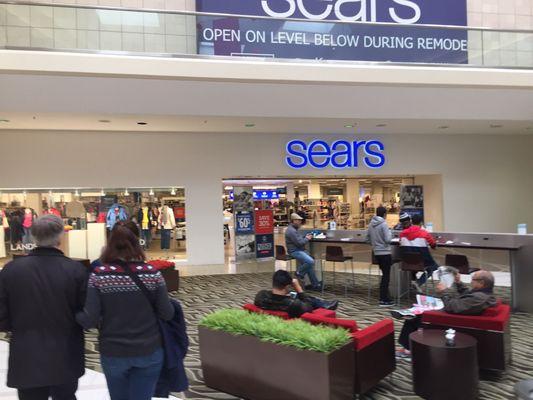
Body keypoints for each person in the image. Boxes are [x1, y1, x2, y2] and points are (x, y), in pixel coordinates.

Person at [76, 221, 174, 400]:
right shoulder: (152, 274)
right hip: (149, 350)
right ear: (138, 243)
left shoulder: (100, 275)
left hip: (114, 351)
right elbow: (167, 313)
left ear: (109, 245)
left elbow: (89, 319)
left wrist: (70, 314)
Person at [0, 215, 88, 400]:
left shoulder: (11, 270)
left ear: (32, 236)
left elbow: (2, 316)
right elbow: (86, 315)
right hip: (65, 352)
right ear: (60, 237)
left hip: (26, 352)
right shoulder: (76, 270)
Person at [393, 270, 497, 360]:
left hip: (450, 318)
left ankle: (407, 350)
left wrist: (443, 292)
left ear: (481, 283)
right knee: (418, 307)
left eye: (473, 279)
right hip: (455, 312)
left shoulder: (479, 298)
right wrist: (458, 282)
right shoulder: (482, 294)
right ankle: (407, 345)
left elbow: (453, 307)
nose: (471, 281)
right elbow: (467, 295)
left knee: (415, 315)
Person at [255, 270, 338, 318]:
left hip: (278, 302)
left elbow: (273, 295)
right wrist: (298, 288)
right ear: (288, 286)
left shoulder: (261, 295)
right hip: (290, 308)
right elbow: (309, 307)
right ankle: (324, 305)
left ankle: (324, 304)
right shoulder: (293, 304)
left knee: (295, 295)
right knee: (301, 295)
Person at [399, 213, 439, 292]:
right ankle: (418, 282)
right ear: (421, 223)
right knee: (433, 267)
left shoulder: (402, 234)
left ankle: (413, 282)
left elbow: (400, 244)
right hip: (422, 262)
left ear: (411, 222)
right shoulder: (425, 233)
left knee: (413, 266)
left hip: (408, 262)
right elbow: (433, 245)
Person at [285, 213, 322, 290]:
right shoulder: (291, 231)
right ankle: (299, 273)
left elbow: (298, 240)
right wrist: (307, 238)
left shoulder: (293, 229)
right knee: (310, 261)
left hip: (298, 250)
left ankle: (315, 285)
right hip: (295, 251)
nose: (300, 222)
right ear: (294, 220)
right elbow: (299, 243)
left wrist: (304, 237)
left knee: (309, 266)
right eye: (298, 220)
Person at [367, 206, 394, 307]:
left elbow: (367, 239)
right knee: (386, 276)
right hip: (385, 253)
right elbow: (388, 239)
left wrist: (375, 244)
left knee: (384, 275)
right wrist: (390, 234)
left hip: (376, 253)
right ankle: (383, 299)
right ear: (384, 214)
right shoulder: (384, 224)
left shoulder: (370, 225)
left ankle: (384, 296)